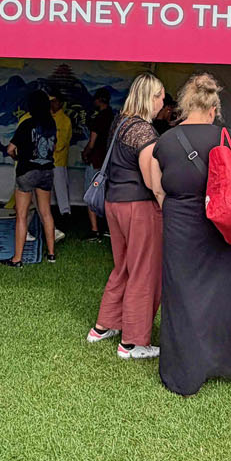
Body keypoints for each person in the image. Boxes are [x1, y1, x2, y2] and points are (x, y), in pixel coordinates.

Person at [149, 73, 231, 396]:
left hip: (179, 226)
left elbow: (157, 190)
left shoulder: (163, 142)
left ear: (184, 105)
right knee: (230, 296)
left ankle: (184, 375)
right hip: (220, 226)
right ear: (212, 108)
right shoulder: (225, 136)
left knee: (182, 297)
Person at [87, 73, 165, 359]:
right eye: (161, 96)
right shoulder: (144, 131)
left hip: (114, 203)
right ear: (151, 98)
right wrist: (166, 206)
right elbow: (152, 181)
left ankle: (104, 325)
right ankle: (133, 342)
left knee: (123, 267)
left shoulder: (121, 122)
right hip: (138, 207)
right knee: (144, 271)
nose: (163, 102)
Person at [5, 88, 58, 266]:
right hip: (47, 171)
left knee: (21, 215)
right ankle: (51, 254)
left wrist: (17, 158)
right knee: (46, 213)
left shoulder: (26, 124)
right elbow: (53, 147)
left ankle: (17, 259)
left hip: (27, 171)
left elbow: (10, 149)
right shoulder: (51, 124)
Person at [82, 89, 115, 237]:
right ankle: (109, 228)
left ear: (99, 100)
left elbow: (92, 143)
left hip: (96, 161)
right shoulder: (114, 117)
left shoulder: (99, 118)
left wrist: (85, 153)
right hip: (110, 161)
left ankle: (94, 229)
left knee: (91, 193)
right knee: (108, 195)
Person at [48, 95, 74, 224]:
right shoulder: (48, 118)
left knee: (61, 188)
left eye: (54, 101)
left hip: (58, 160)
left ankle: (65, 214)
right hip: (46, 161)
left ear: (60, 103)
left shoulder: (64, 120)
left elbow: (61, 143)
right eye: (50, 102)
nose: (52, 104)